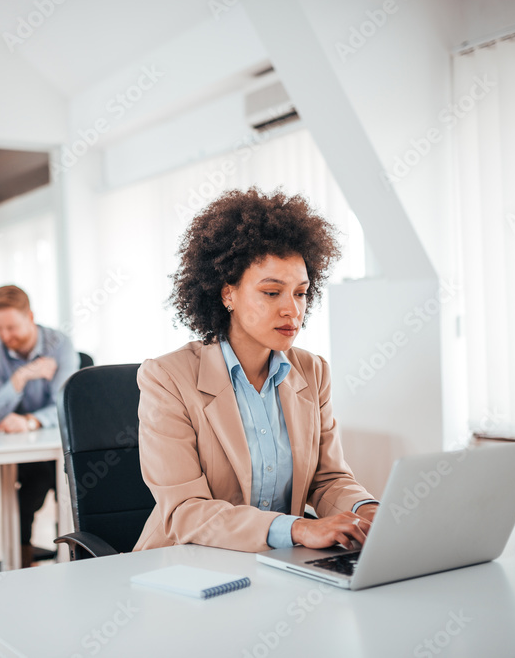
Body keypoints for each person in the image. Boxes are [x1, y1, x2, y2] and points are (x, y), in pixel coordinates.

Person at [134, 188, 379, 553]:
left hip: (276, 567)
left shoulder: (312, 372)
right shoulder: (167, 379)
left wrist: (367, 509)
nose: (292, 311)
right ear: (227, 294)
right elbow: (186, 512)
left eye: (300, 293)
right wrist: (296, 529)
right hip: (185, 565)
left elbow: (327, 480)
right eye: (271, 293)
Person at [0, 285, 79, 567]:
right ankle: (21, 557)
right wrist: (20, 377)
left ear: (30, 316)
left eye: (12, 327)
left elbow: (64, 403)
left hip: (54, 443)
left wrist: (30, 421)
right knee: (34, 480)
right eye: (0, 327)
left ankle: (74, 553)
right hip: (17, 450)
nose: (5, 336)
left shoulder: (59, 344)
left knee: (66, 478)